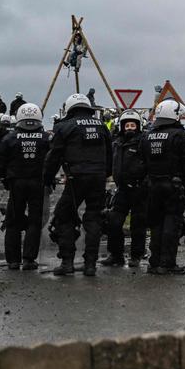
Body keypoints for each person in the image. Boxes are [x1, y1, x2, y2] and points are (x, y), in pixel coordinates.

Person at [44, 93, 111, 276]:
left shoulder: (64, 127)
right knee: (94, 219)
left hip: (75, 179)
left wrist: (48, 178)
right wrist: (105, 174)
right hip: (98, 178)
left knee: (63, 217)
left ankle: (67, 262)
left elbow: (54, 156)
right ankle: (90, 264)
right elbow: (109, 152)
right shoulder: (101, 126)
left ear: (69, 108)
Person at [141, 100, 185, 275]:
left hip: (152, 186)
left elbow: (142, 162)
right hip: (174, 187)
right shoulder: (179, 136)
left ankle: (154, 262)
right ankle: (167, 263)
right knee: (171, 224)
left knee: (156, 224)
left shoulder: (147, 136)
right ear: (174, 115)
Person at [0, 103, 51, 270]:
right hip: (38, 183)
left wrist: (5, 180)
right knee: (35, 221)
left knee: (12, 221)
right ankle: (28, 259)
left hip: (16, 183)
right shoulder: (46, 138)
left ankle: (13, 260)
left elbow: (0, 163)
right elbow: (53, 160)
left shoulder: (9, 138)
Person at [101, 110, 148, 268]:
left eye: (132, 125)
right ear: (121, 126)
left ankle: (136, 256)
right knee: (113, 222)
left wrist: (144, 183)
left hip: (139, 190)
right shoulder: (116, 143)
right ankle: (116, 255)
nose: (129, 128)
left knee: (138, 226)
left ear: (138, 126)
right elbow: (109, 163)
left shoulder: (143, 142)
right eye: (126, 125)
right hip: (122, 190)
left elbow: (150, 165)